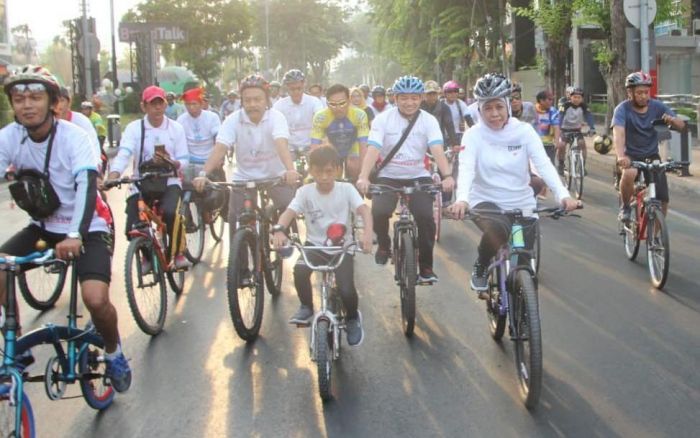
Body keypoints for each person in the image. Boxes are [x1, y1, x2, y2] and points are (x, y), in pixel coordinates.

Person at [0, 65, 131, 391]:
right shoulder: (9, 137)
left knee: (95, 299)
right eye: (19, 99)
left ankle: (114, 351)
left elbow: (87, 187)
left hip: (88, 226)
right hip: (43, 227)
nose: (26, 105)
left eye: (35, 97)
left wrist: (75, 234)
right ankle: (14, 345)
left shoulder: (75, 137)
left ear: (53, 101)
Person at [447, 73, 578, 298]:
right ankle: (481, 263)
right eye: (488, 108)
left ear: (508, 104)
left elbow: (544, 165)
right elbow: (466, 169)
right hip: (486, 203)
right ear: (479, 109)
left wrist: (564, 196)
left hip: (521, 204)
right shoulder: (473, 135)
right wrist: (462, 200)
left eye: (499, 106)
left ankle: (521, 305)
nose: (494, 114)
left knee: (521, 257)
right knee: (498, 229)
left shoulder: (524, 131)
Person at [356, 76, 454, 283]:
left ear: (421, 99)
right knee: (380, 212)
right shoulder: (383, 119)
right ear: (395, 98)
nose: (409, 103)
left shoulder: (429, 120)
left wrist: (447, 176)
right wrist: (364, 176)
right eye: (403, 98)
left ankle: (426, 266)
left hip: (418, 175)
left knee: (426, 218)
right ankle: (384, 244)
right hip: (388, 176)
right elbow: (373, 148)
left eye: (414, 98)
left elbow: (436, 148)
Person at [272, 146, 373, 345]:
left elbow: (364, 211)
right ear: (310, 171)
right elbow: (289, 212)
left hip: (342, 248)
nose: (324, 177)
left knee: (345, 289)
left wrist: (368, 233)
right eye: (318, 172)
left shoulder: (346, 189)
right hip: (314, 246)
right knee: (300, 272)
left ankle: (352, 318)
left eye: (329, 171)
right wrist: (278, 229)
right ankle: (306, 306)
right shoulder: (304, 192)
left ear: (337, 169)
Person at [192, 74, 299, 229]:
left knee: (287, 208)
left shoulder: (276, 117)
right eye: (247, 100)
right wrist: (203, 174)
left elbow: (281, 144)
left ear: (266, 100)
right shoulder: (233, 120)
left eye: (257, 99)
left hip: (275, 176)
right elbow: (220, 147)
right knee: (234, 219)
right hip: (244, 178)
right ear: (241, 101)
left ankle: (283, 238)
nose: (252, 104)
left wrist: (290, 170)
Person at [106, 85, 191, 270]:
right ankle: (146, 256)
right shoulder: (134, 129)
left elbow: (184, 158)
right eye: (153, 104)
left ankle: (178, 253)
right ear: (144, 107)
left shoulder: (176, 128)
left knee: (170, 213)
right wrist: (113, 176)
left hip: (170, 180)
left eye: (161, 103)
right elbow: (125, 153)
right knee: (133, 224)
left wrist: (173, 162)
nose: (157, 108)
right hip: (141, 181)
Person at [614, 71, 686, 221]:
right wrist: (621, 156)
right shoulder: (622, 109)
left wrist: (672, 121)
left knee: (662, 199)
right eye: (639, 92)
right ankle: (625, 206)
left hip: (651, 156)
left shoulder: (657, 107)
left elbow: (681, 126)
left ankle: (657, 239)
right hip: (630, 155)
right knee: (629, 173)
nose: (643, 96)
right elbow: (619, 134)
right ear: (630, 92)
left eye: (646, 92)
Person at [310, 83, 370, 181]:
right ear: (327, 103)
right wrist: (313, 173)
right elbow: (314, 146)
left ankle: (356, 191)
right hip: (332, 148)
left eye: (342, 103)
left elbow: (363, 146)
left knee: (354, 165)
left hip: (353, 148)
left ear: (349, 101)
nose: (338, 108)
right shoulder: (320, 117)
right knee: (330, 172)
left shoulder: (359, 115)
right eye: (333, 104)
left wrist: (364, 175)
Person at [273, 69, 323, 161]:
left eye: (299, 88)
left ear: (304, 85)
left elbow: (321, 122)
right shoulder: (279, 105)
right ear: (287, 87)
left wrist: (315, 146)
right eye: (292, 89)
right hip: (289, 148)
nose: (296, 92)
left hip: (311, 146)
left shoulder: (314, 102)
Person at [557, 86, 596, 174]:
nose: (576, 99)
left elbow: (589, 116)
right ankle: (561, 164)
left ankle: (582, 166)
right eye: (574, 97)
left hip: (576, 130)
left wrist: (592, 128)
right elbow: (560, 117)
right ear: (570, 97)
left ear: (582, 98)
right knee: (562, 145)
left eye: (579, 97)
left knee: (582, 144)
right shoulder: (565, 105)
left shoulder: (584, 106)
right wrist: (558, 129)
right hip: (564, 129)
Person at [56, 87, 101, 160]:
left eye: (61, 100)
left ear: (69, 102)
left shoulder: (82, 121)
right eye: (55, 101)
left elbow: (93, 145)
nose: (58, 105)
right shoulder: (46, 123)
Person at [421, 80, 458, 152]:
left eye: (434, 94)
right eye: (429, 94)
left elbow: (449, 126)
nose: (432, 96)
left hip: (438, 143)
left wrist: (455, 144)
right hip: (421, 144)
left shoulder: (444, 108)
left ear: (438, 94)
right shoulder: (419, 107)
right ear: (424, 95)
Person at [533, 90, 561, 166]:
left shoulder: (553, 111)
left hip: (548, 144)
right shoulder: (532, 110)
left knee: (550, 166)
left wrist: (557, 141)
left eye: (552, 99)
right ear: (541, 100)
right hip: (534, 144)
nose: (551, 102)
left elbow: (556, 126)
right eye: (549, 99)